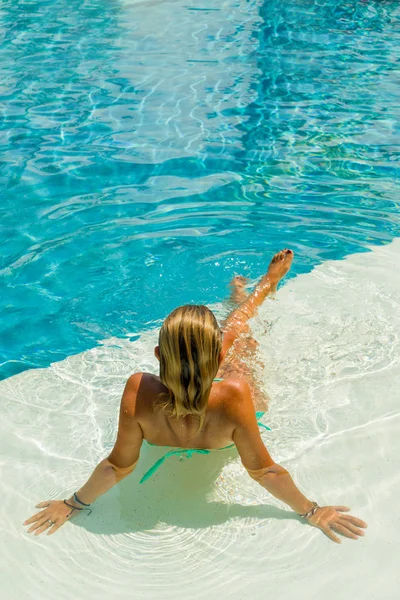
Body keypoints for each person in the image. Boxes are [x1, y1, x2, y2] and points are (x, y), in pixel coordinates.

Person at [23, 249, 367, 543]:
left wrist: (72, 504)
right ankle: (262, 287)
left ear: (158, 355)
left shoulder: (138, 388)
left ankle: (256, 289)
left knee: (233, 335)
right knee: (242, 341)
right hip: (227, 416)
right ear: (216, 360)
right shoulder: (234, 395)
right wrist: (312, 510)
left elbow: (118, 465)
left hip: (193, 395)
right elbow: (265, 472)